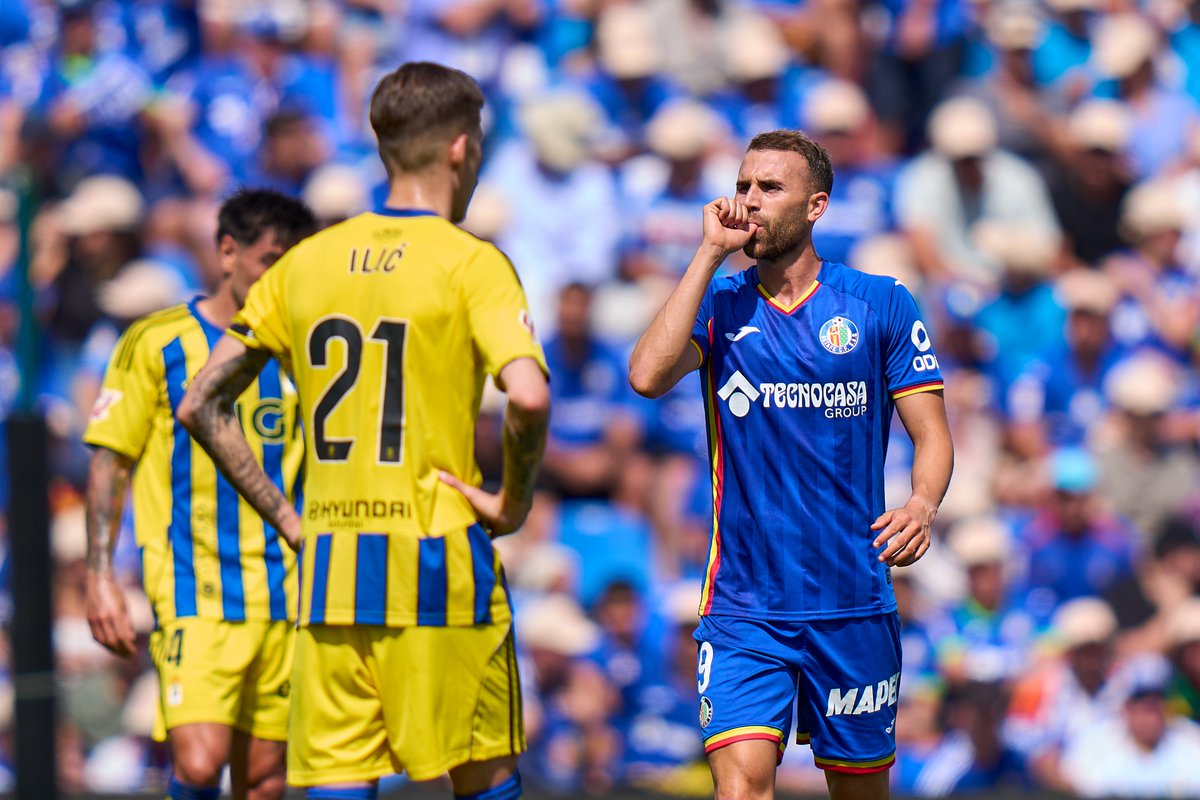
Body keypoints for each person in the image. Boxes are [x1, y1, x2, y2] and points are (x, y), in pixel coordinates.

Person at [177, 62, 551, 800]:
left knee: (340, 784)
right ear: (458, 149)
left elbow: (199, 404)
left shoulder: (303, 264)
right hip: (436, 565)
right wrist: (511, 501)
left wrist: (289, 519)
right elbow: (530, 398)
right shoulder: (471, 263)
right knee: (485, 779)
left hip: (330, 572)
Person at [629, 130, 955, 800]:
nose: (748, 201)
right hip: (745, 605)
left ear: (816, 206)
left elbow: (933, 434)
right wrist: (706, 255)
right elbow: (645, 375)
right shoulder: (718, 306)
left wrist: (921, 504)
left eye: (769, 188)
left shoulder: (880, 303)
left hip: (853, 602)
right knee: (741, 786)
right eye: (743, 185)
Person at [83, 188, 318, 800]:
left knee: (264, 780)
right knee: (197, 761)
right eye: (272, 259)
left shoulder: (306, 351)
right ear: (227, 252)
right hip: (196, 591)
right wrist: (101, 575)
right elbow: (111, 461)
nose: (281, 277)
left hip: (287, 593)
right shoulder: (156, 342)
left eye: (294, 262)